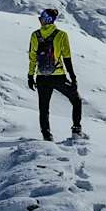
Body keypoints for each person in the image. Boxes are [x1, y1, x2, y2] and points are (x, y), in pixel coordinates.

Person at [27, 8, 83, 141]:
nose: (40, 20)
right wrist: (73, 78)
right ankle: (76, 130)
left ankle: (47, 136)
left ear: (45, 19)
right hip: (58, 76)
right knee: (76, 100)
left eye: (41, 18)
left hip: (41, 77)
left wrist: (30, 76)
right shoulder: (61, 35)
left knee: (44, 108)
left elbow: (32, 58)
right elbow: (67, 58)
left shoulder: (35, 35)